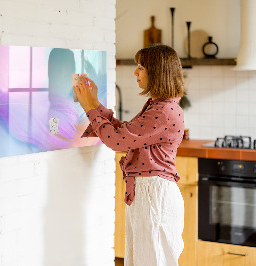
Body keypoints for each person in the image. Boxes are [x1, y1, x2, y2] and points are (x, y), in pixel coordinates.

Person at [74, 44, 186, 266]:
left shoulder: (163, 111)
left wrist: (89, 108)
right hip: (149, 193)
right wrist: (95, 103)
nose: (135, 72)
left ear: (157, 72)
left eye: (141, 67)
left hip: (154, 195)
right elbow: (125, 133)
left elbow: (117, 141)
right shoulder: (159, 106)